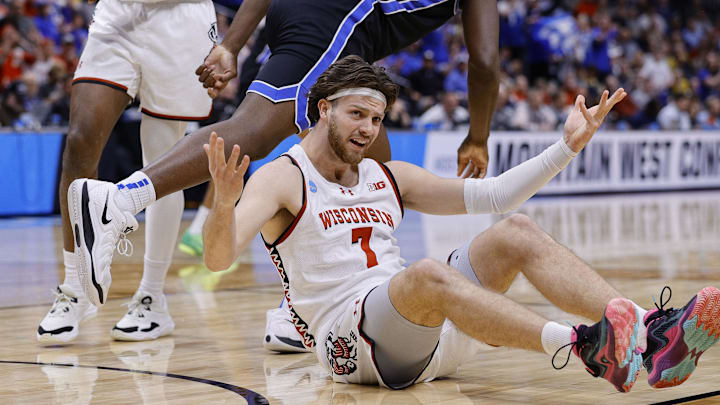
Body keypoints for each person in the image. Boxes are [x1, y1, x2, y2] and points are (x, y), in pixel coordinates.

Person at [198, 57, 720, 390]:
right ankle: (586, 344)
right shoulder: (283, 177)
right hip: (355, 345)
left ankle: (654, 331)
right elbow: (217, 259)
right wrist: (223, 205)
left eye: (377, 119)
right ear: (321, 109)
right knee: (426, 272)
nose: (368, 129)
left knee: (516, 231)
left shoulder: (388, 174)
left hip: (430, 330)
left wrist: (567, 147)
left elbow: (495, 194)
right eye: (357, 114)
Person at [64, 0, 500, 349]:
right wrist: (478, 136)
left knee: (370, 167)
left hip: (306, 19)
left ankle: (306, 307)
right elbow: (482, 59)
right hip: (337, 22)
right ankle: (120, 200)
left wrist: (233, 44)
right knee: (249, 133)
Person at [37, 0, 217, 343]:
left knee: (162, 164)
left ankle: (151, 297)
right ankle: (75, 289)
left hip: (181, 20)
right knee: (80, 139)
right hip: (119, 15)